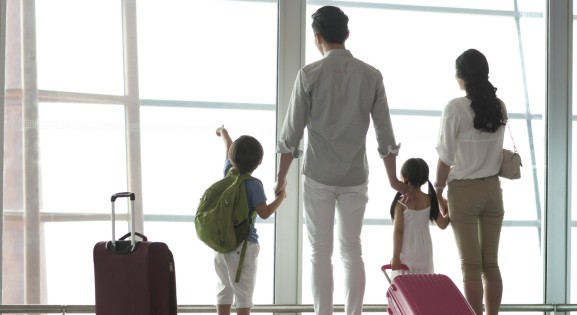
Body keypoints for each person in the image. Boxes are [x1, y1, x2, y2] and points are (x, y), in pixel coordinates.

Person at [273, 6, 412, 315]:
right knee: (352, 250)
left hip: (318, 176)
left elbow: (290, 135)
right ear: (347, 35)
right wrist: (392, 179)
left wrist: (281, 178)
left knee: (320, 253)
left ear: (317, 36)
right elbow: (385, 133)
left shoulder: (309, 74)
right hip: (354, 177)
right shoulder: (371, 75)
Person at [434, 49, 507, 315]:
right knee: (491, 264)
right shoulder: (498, 106)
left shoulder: (455, 108)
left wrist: (438, 191)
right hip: (492, 190)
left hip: (463, 192)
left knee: (471, 266)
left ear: (461, 76)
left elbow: (445, 157)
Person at [214, 126, 287, 315]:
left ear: (232, 158)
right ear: (259, 162)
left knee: (224, 289)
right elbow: (264, 212)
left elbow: (229, 146)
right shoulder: (254, 185)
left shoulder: (228, 173)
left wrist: (223, 131)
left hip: (221, 244)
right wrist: (281, 196)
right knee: (243, 293)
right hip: (244, 246)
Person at [389, 158, 450, 279]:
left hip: (406, 254)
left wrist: (395, 257)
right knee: (422, 290)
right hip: (424, 253)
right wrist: (450, 209)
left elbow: (398, 231)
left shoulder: (401, 203)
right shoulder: (429, 200)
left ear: (405, 178)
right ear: (423, 180)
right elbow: (443, 225)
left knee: (404, 291)